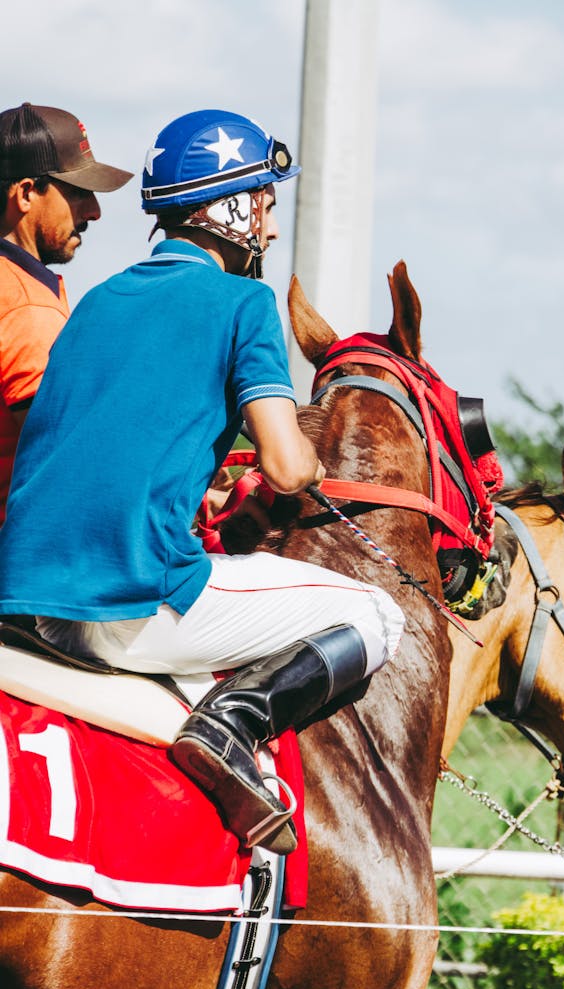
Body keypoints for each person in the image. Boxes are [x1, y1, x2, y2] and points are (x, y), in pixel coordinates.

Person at [0, 109, 404, 855]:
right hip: (130, 602)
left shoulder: (92, 299)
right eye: (265, 204)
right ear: (226, 206)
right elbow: (285, 467)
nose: (272, 229)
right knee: (380, 614)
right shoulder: (245, 304)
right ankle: (232, 725)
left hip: (22, 599)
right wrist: (312, 461)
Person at [0, 102, 132, 522]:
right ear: (25, 194)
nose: (93, 211)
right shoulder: (25, 304)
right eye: (77, 192)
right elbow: (66, 462)